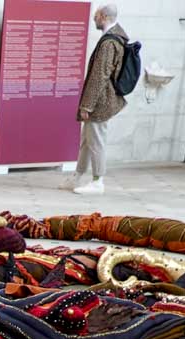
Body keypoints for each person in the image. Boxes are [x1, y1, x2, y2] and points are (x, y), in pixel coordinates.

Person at [72, 3, 129, 195]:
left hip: (100, 101)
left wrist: (87, 105)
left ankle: (98, 181)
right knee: (87, 140)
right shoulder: (116, 38)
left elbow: (99, 76)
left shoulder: (108, 43)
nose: (93, 18)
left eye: (96, 15)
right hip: (102, 98)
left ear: (104, 17)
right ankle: (77, 176)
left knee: (96, 141)